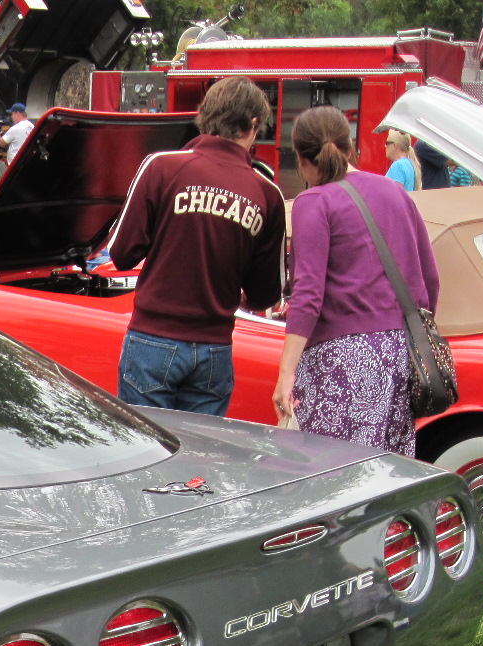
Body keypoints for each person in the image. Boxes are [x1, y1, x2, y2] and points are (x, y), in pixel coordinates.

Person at [107, 75, 285, 416]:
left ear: (206, 115)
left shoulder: (162, 167)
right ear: (253, 125)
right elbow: (266, 294)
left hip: (153, 338)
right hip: (215, 348)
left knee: (146, 443)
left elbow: (122, 253)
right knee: (200, 448)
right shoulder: (267, 194)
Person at [272, 106, 439, 456]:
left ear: (302, 159)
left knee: (332, 469)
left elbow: (308, 295)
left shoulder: (313, 201)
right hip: (399, 352)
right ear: (349, 148)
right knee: (383, 470)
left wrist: (286, 374)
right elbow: (430, 278)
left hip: (339, 359)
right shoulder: (395, 192)